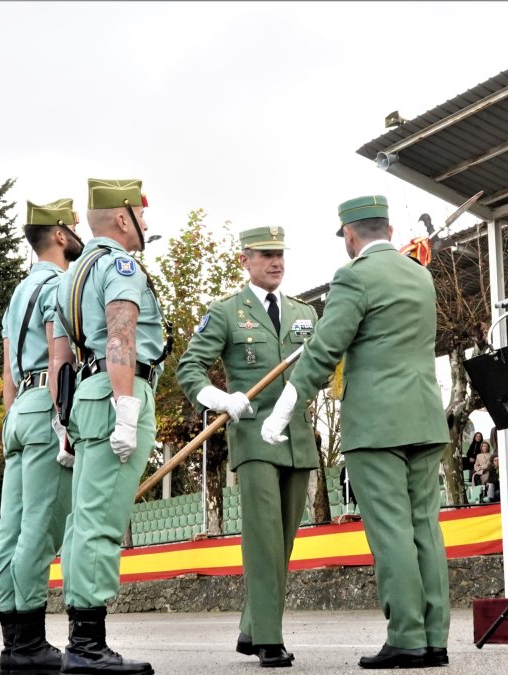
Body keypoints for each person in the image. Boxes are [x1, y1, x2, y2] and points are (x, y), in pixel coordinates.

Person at [259, 195, 450, 669]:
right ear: (386, 227)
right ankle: (435, 638)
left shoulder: (354, 276)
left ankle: (407, 636)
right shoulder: (420, 274)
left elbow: (325, 348)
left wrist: (286, 406)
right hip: (425, 416)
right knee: (424, 528)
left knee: (390, 532)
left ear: (349, 234)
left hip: (377, 423)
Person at [175, 225, 319, 668]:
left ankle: (251, 627)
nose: (275, 262)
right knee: (263, 541)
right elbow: (190, 367)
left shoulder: (305, 312)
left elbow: (318, 366)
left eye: (279, 253)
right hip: (254, 437)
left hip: (298, 439)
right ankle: (269, 641)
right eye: (265, 254)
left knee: (285, 540)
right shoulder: (225, 312)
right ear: (245, 260)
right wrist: (220, 398)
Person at [55, 178, 161, 675]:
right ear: (123, 218)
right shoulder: (120, 265)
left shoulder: (70, 276)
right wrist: (126, 406)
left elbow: (60, 358)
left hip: (84, 396)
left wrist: (62, 419)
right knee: (100, 524)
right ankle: (87, 645)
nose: (147, 221)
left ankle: (81, 635)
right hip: (118, 388)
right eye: (143, 212)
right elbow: (122, 332)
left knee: (81, 522)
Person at [0, 200, 82, 672]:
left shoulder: (20, 290)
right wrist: (62, 418)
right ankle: (28, 641)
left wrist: (12, 418)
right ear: (61, 236)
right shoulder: (61, 284)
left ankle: (12, 635)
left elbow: (8, 364)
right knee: (41, 528)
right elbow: (57, 351)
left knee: (10, 529)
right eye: (76, 228)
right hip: (47, 400)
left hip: (21, 407)